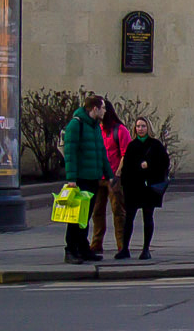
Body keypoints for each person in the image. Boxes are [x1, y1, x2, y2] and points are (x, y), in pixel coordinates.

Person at [62, 95, 111, 263]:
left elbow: (101, 152)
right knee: (75, 217)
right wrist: (71, 178)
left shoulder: (95, 126)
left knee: (85, 216)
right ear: (95, 109)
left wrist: (109, 174)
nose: (105, 111)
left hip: (93, 177)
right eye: (103, 108)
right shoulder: (77, 124)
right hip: (80, 178)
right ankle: (71, 250)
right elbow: (70, 153)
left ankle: (83, 248)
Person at [119, 116, 169, 260]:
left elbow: (164, 164)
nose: (140, 129)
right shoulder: (132, 145)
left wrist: (149, 165)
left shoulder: (155, 145)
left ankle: (146, 249)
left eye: (143, 126)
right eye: (138, 126)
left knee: (148, 217)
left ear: (148, 128)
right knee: (129, 218)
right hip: (133, 188)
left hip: (149, 188)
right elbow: (127, 167)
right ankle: (124, 248)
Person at [89, 102, 131, 259]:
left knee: (118, 211)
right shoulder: (95, 129)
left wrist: (118, 174)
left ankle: (122, 245)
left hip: (113, 177)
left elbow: (125, 154)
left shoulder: (119, 130)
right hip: (97, 176)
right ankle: (96, 243)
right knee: (97, 211)